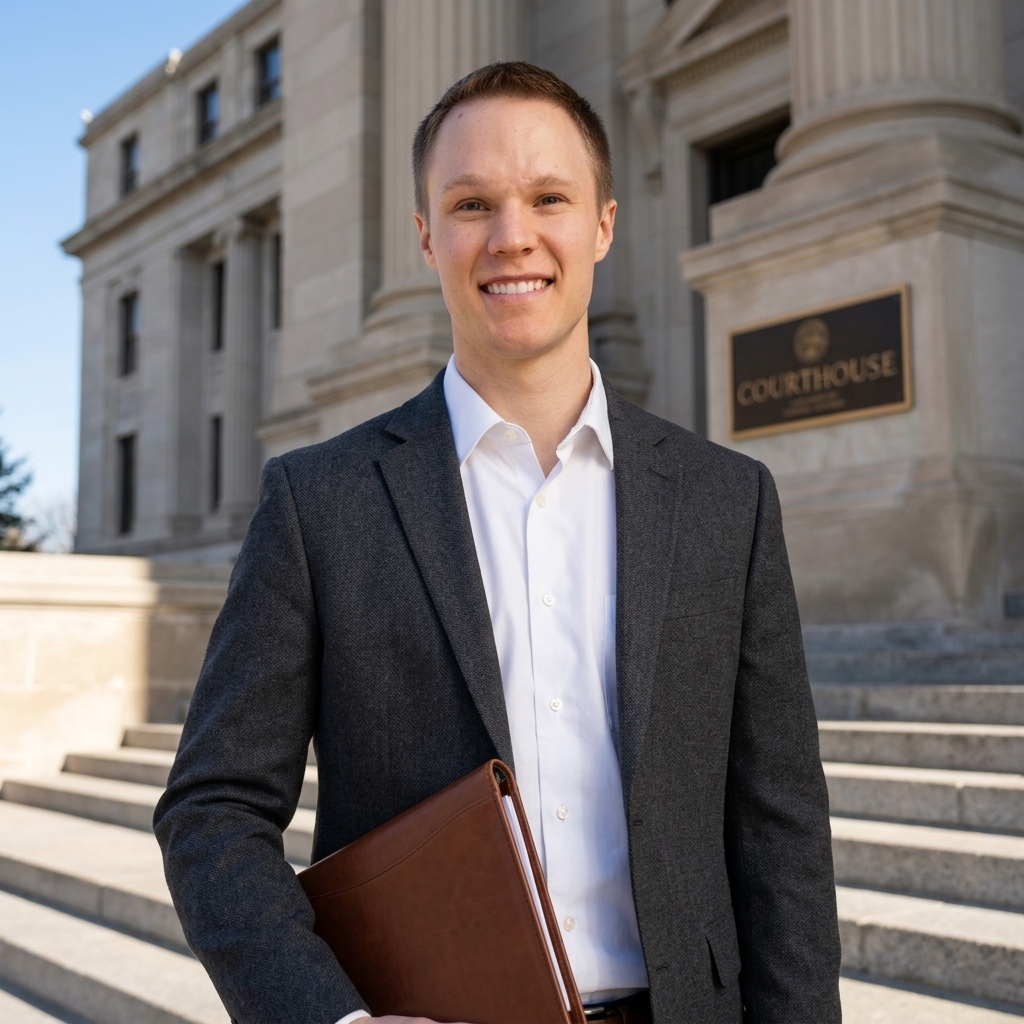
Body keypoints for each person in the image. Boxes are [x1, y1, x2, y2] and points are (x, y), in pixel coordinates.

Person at [155, 62, 842, 1024]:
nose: (512, 235)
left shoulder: (728, 501)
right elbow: (212, 809)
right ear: (428, 235)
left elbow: (782, 835)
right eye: (472, 201)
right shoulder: (320, 502)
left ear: (603, 223)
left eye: (548, 197)